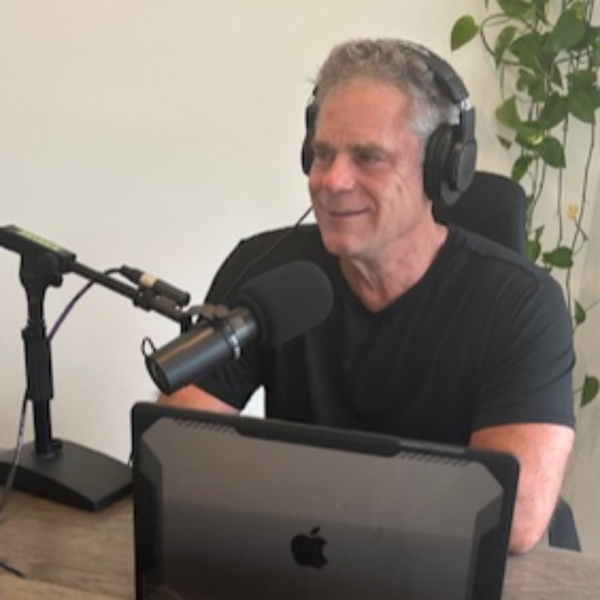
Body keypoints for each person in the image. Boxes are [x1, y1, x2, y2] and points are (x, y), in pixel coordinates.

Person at [159, 38, 575, 554]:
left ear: (440, 170)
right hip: (306, 555)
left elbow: (512, 517)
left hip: (447, 569)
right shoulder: (267, 271)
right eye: (322, 154)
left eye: (368, 157)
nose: (332, 181)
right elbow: (177, 449)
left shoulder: (522, 305)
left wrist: (283, 484)